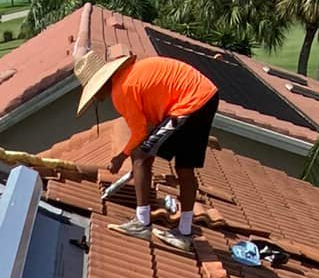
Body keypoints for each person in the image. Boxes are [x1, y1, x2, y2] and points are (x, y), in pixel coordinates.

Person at [72, 48, 220, 252]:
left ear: (101, 84)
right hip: (205, 96)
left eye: (94, 92)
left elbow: (140, 133)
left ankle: (142, 223)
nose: (97, 98)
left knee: (139, 155)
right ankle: (184, 233)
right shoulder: (130, 76)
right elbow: (149, 125)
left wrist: (120, 157)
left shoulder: (121, 91)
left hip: (189, 102)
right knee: (185, 168)